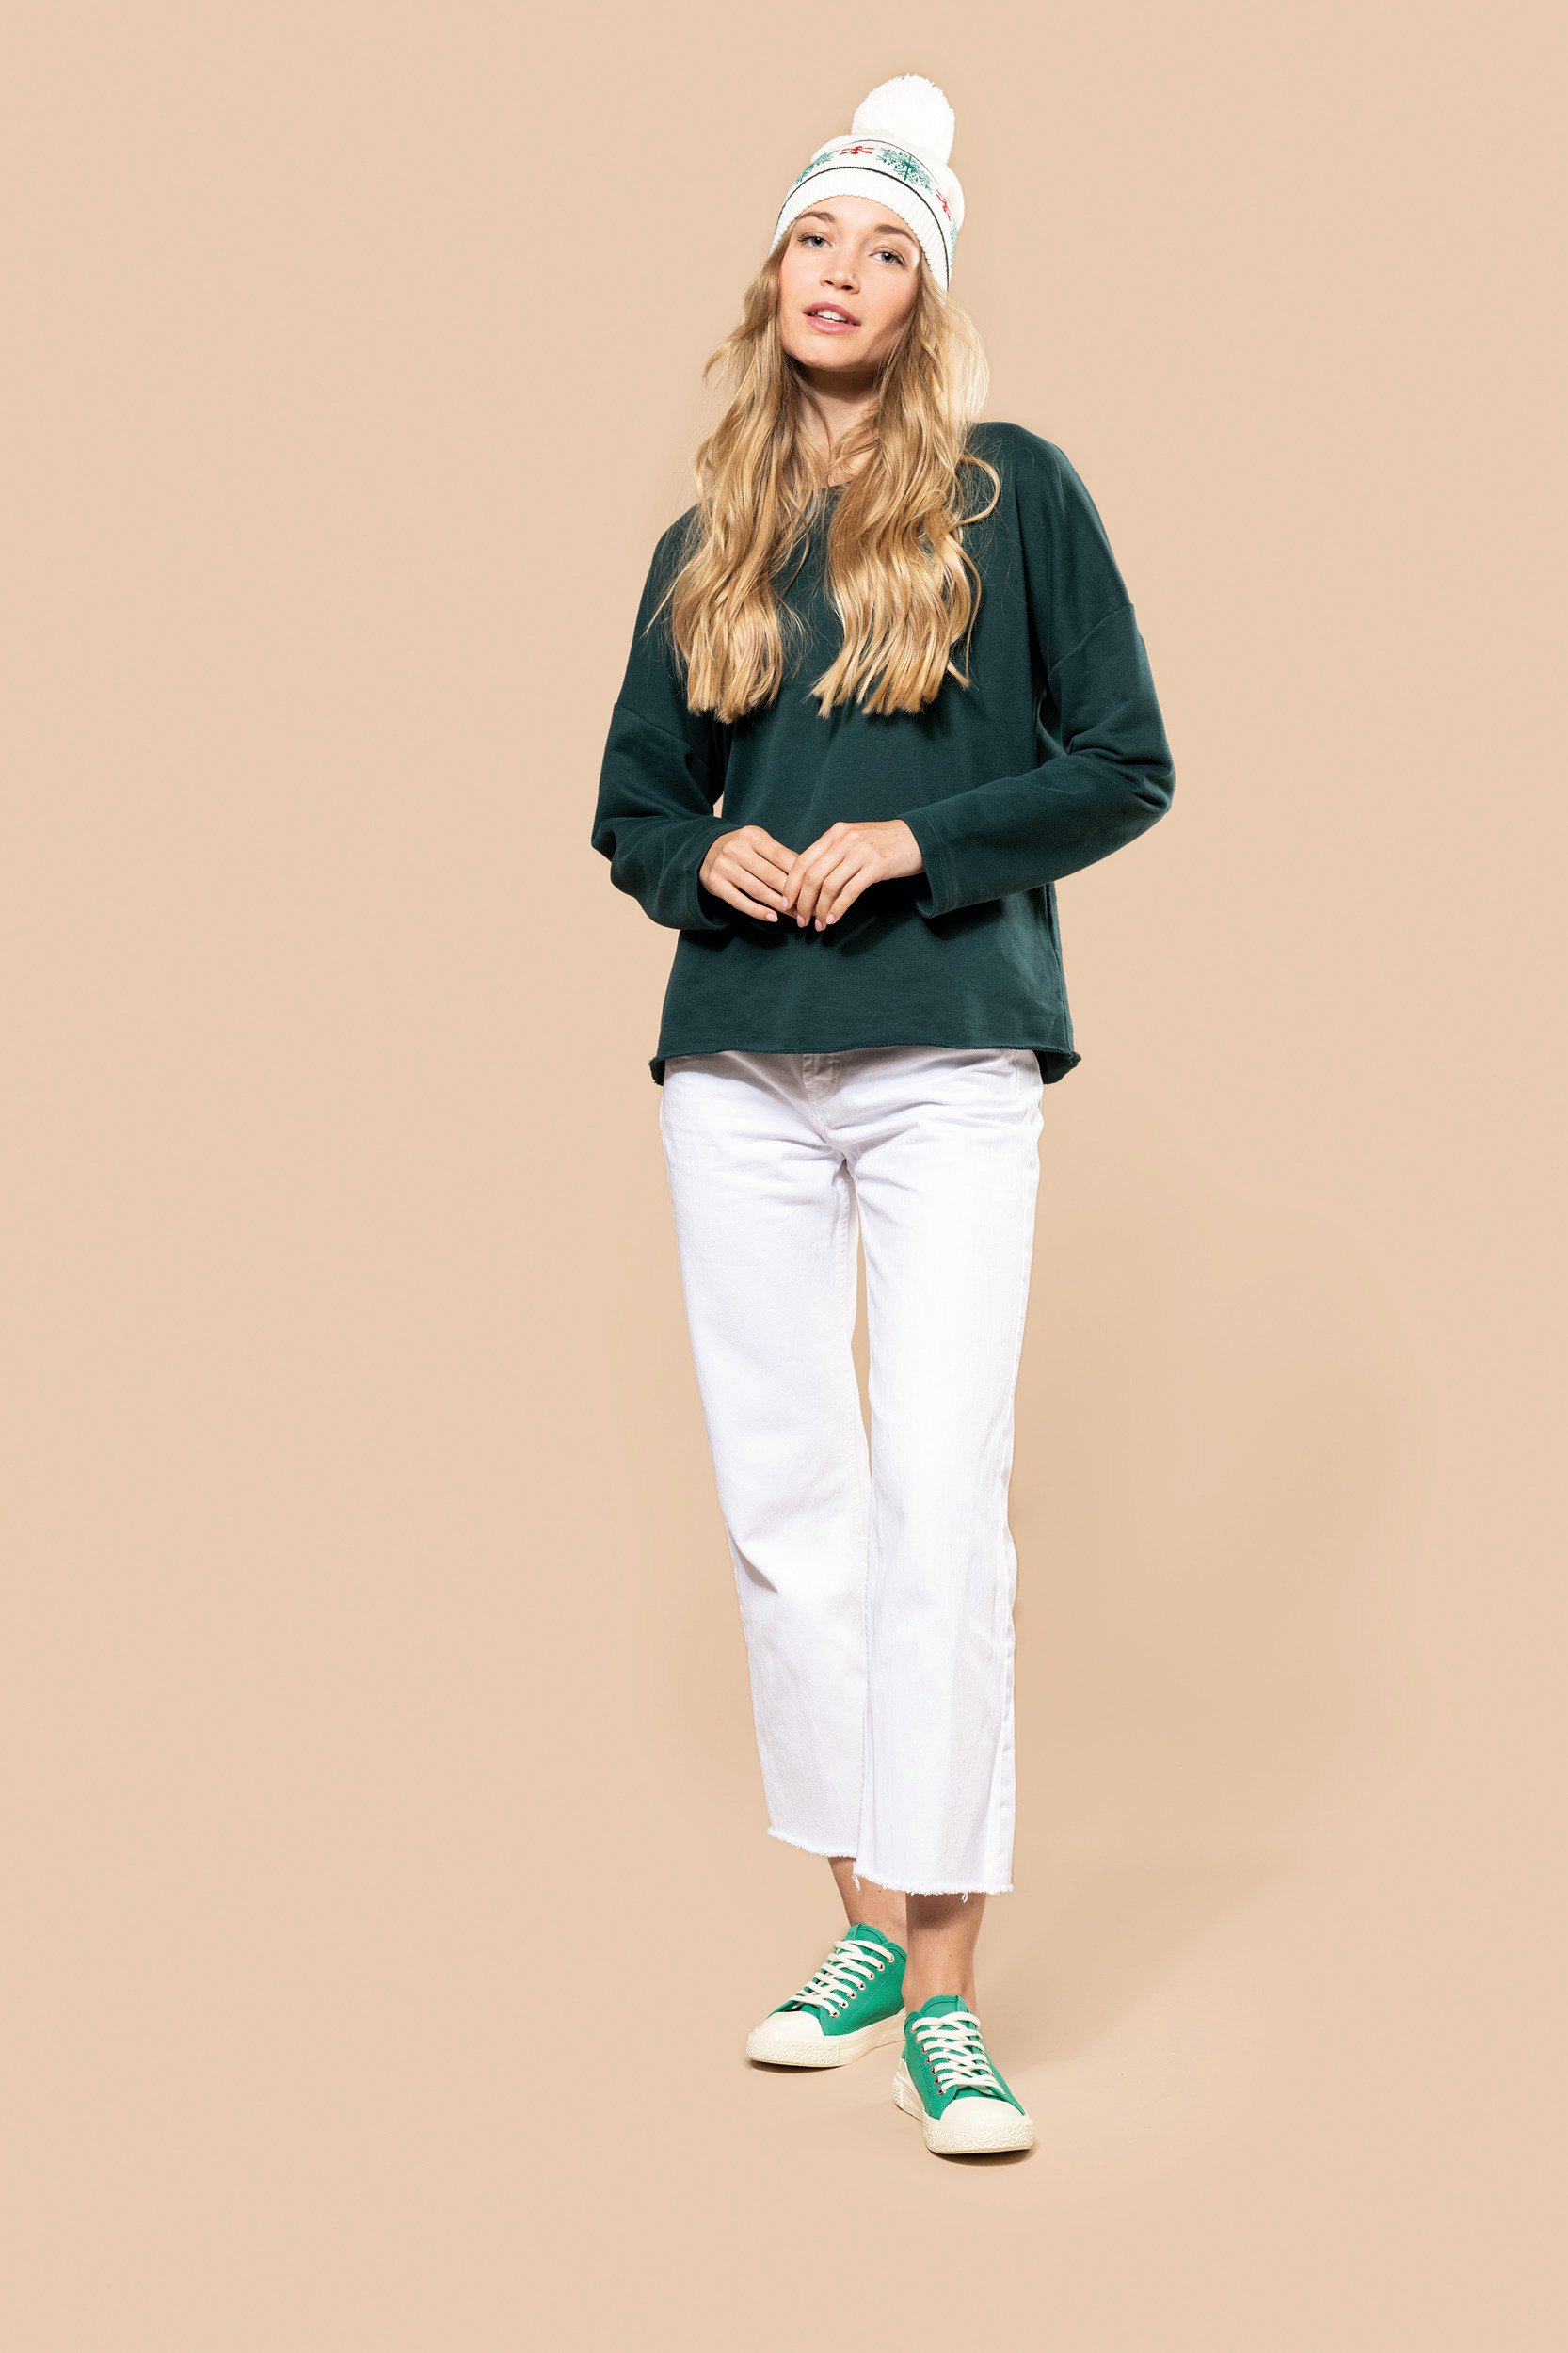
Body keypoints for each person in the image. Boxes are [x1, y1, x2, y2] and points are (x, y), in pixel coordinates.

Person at [590, 74, 1174, 2159]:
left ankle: (944, 1991)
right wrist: (707, 858)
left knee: (937, 1497)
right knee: (788, 1509)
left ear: (927, 295)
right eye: (817, 238)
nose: (842, 273)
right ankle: (857, 1920)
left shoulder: (1016, 497)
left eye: (887, 249)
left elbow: (1123, 764)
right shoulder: (707, 540)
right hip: (735, 1064)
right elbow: (631, 807)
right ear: (774, 272)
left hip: (945, 1054)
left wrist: (911, 843)